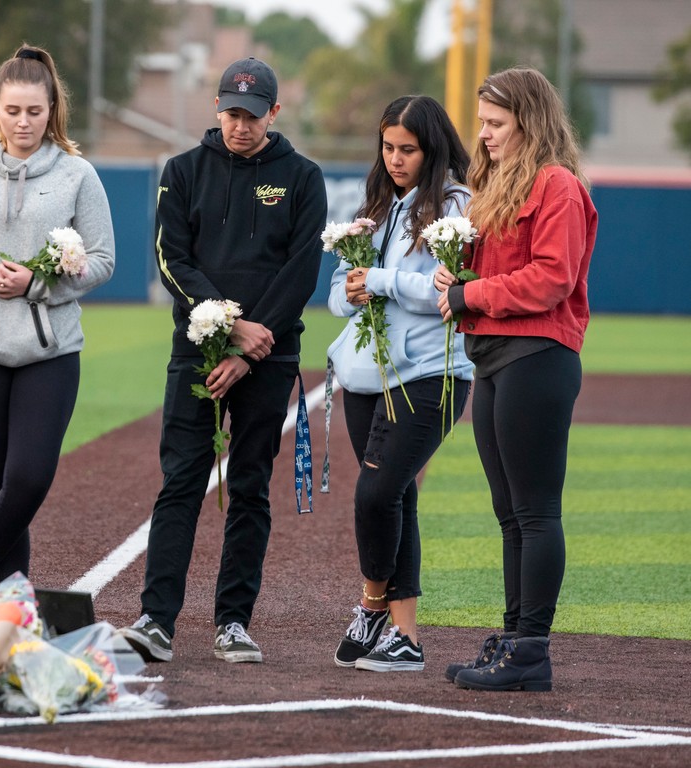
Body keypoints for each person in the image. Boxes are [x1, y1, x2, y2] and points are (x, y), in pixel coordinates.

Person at [119, 57, 327, 664]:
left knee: (250, 487)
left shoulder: (302, 177)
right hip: (197, 355)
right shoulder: (182, 171)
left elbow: (302, 271)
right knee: (181, 480)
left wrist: (254, 344)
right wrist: (229, 330)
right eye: (232, 113)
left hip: (272, 353)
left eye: (253, 115)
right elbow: (172, 259)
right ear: (217, 108)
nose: (241, 125)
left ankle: (233, 622)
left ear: (274, 113)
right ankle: (157, 619)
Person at [0, 45, 115, 608]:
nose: (23, 122)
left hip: (49, 352)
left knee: (28, 480)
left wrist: (35, 284)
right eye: (12, 111)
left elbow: (102, 260)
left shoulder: (78, 175)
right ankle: (16, 613)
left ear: (51, 109)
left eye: (34, 111)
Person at [435, 67, 597, 691]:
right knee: (510, 514)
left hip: (539, 356)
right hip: (495, 357)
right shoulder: (495, 183)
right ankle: (514, 640)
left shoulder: (557, 185)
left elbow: (553, 278)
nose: (485, 134)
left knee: (534, 512)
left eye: (497, 123)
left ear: (530, 122)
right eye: (482, 123)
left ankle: (532, 649)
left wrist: (473, 291)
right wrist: (454, 275)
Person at [328, 95, 474, 673]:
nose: (395, 159)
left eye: (407, 149)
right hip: (368, 374)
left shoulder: (459, 205)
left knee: (377, 494)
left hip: (432, 374)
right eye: (388, 147)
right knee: (400, 498)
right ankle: (405, 639)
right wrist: (355, 287)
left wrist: (380, 280)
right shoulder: (382, 204)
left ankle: (371, 607)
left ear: (431, 149)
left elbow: (447, 292)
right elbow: (340, 293)